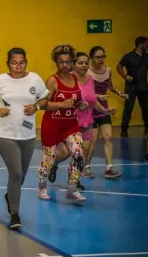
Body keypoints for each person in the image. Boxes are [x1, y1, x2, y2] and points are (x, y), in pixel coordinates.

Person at [0, 47, 49, 229]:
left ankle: (10, 196)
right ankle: (15, 214)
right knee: (16, 172)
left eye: (22, 62)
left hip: (28, 135)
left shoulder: (34, 79)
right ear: (8, 63)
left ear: (26, 62)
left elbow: (44, 98)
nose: (18, 66)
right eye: (14, 62)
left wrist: (36, 107)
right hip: (5, 135)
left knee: (21, 176)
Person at [49, 52, 115, 186]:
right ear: (73, 64)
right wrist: (76, 105)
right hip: (69, 121)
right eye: (80, 62)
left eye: (86, 63)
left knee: (84, 151)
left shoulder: (90, 79)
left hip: (86, 121)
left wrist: (104, 110)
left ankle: (74, 179)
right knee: (66, 152)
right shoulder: (68, 79)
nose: (84, 65)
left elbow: (92, 99)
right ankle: (54, 163)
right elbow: (60, 100)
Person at [37, 44, 88, 203]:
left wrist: (81, 105)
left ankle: (71, 189)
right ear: (56, 63)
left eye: (67, 62)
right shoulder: (53, 80)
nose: (64, 65)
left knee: (79, 154)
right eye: (61, 62)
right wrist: (61, 104)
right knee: (49, 158)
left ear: (72, 62)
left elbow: (75, 101)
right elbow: (42, 104)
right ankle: (42, 186)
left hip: (70, 125)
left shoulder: (74, 78)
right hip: (52, 125)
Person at [82, 46, 127, 179]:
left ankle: (109, 168)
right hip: (91, 109)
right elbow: (85, 91)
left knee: (108, 137)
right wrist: (97, 96)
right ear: (91, 59)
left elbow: (110, 85)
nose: (101, 59)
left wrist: (119, 93)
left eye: (103, 56)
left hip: (104, 109)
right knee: (93, 140)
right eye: (97, 57)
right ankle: (86, 166)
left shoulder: (108, 70)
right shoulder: (87, 73)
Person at [117, 36, 148, 137]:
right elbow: (119, 66)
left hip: (143, 87)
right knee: (128, 109)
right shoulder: (128, 56)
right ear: (141, 44)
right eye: (146, 44)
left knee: (146, 109)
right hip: (131, 87)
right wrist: (125, 76)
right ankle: (124, 129)